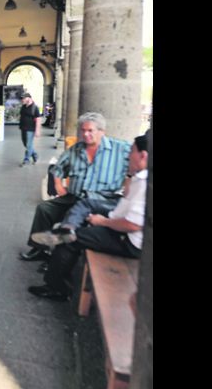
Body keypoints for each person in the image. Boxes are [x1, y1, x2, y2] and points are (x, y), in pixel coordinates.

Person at [28, 133, 148, 300]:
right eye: (83, 130)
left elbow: (133, 225)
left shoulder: (143, 182)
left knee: (70, 240)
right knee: (81, 206)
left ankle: (57, 287)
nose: (129, 156)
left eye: (132, 152)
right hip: (107, 211)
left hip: (127, 239)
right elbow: (58, 168)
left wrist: (103, 222)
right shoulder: (140, 177)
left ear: (143, 155)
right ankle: (67, 228)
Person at [19, 112, 132, 262]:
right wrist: (58, 185)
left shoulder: (120, 149)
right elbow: (57, 168)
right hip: (74, 196)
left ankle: (58, 259)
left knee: (71, 221)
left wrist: (131, 182)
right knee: (44, 209)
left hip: (101, 200)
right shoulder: (75, 150)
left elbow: (141, 161)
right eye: (83, 130)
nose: (85, 134)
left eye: (90, 130)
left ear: (102, 131)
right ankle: (40, 249)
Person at [18, 92, 41, 167]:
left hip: (30, 129)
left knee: (28, 144)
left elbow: (38, 119)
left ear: (29, 98)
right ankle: (34, 155)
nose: (22, 100)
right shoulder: (23, 106)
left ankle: (26, 159)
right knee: (26, 144)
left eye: (24, 98)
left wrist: (37, 130)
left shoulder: (35, 108)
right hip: (23, 128)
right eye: (22, 99)